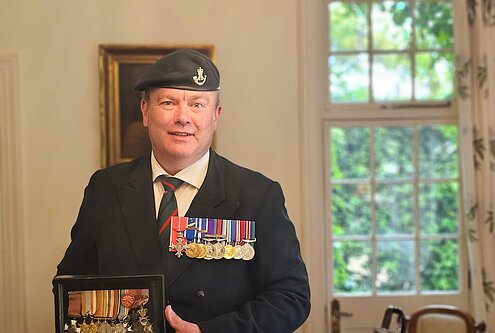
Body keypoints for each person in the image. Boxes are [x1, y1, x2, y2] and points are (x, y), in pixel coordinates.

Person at [56, 49, 310, 333]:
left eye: (197, 105)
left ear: (216, 115)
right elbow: (70, 284)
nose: (183, 118)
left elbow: (291, 299)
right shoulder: (104, 188)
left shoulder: (257, 194)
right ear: (145, 111)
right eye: (168, 102)